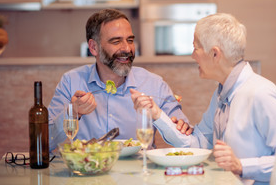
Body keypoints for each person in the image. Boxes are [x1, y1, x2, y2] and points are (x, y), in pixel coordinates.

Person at [131, 13, 276, 184]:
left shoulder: (261, 93)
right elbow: (197, 144)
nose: (192, 55)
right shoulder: (222, 94)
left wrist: (241, 166)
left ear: (214, 54)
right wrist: (157, 115)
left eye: (195, 47)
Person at [48, 9, 192, 152]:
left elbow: (185, 139)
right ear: (93, 47)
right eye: (116, 41)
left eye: (130, 40)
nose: (127, 48)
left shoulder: (154, 84)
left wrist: (168, 121)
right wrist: (72, 113)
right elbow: (45, 143)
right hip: (89, 169)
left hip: (140, 171)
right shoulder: (71, 82)